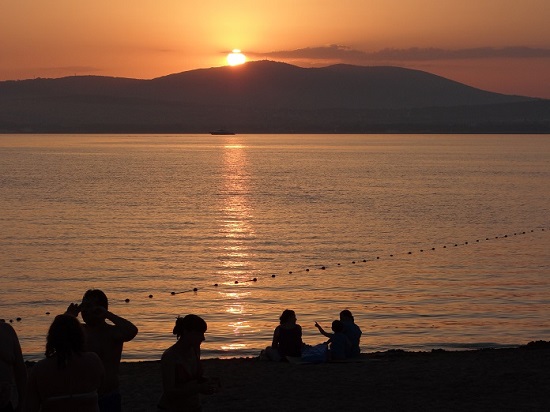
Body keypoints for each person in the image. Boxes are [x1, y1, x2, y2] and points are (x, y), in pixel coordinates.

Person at [66, 289, 138, 412]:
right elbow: (57, 335)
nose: (85, 311)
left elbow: (131, 330)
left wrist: (107, 314)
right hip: (83, 397)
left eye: (89, 306)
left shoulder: (112, 333)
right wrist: (69, 315)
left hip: (107, 396)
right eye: (83, 306)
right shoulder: (79, 332)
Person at [24, 314, 104, 412]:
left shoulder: (40, 369)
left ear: (52, 338)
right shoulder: (93, 361)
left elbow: (30, 407)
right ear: (80, 335)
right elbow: (102, 388)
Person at [157, 315, 220, 412]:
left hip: (194, 407)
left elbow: (193, 380)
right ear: (186, 332)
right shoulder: (170, 356)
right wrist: (199, 389)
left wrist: (208, 382)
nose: (203, 338)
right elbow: (169, 392)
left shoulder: (195, 349)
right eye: (199, 333)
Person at [0, 321, 26, 412]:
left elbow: (21, 371)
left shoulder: (7, 330)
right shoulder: (6, 330)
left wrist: (22, 401)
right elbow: (20, 371)